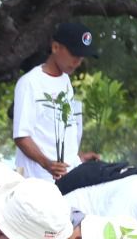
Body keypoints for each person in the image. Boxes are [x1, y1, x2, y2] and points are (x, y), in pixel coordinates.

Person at [12, 21, 97, 181]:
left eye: (82, 57)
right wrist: (48, 164)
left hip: (68, 178)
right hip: (38, 180)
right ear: (55, 47)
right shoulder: (30, 82)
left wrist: (78, 158)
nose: (78, 62)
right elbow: (21, 136)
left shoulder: (66, 82)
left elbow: (60, 130)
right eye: (74, 54)